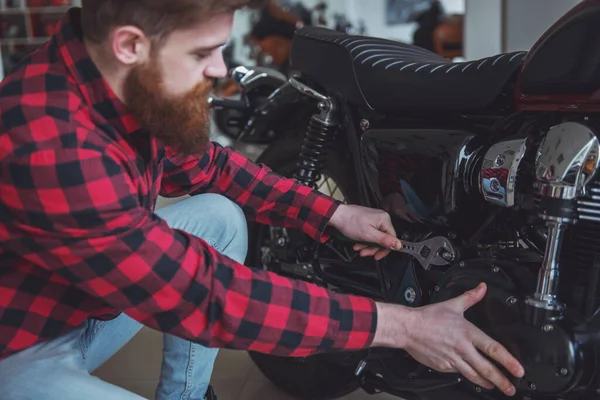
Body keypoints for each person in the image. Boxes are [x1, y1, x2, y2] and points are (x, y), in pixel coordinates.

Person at [0, 1, 525, 399]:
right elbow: (207, 295)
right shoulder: (51, 142)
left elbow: (212, 167)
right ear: (130, 45)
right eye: (203, 52)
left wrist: (333, 212)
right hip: (23, 343)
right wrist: (403, 327)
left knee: (219, 215)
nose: (221, 70)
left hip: (83, 298)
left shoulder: (118, 81)